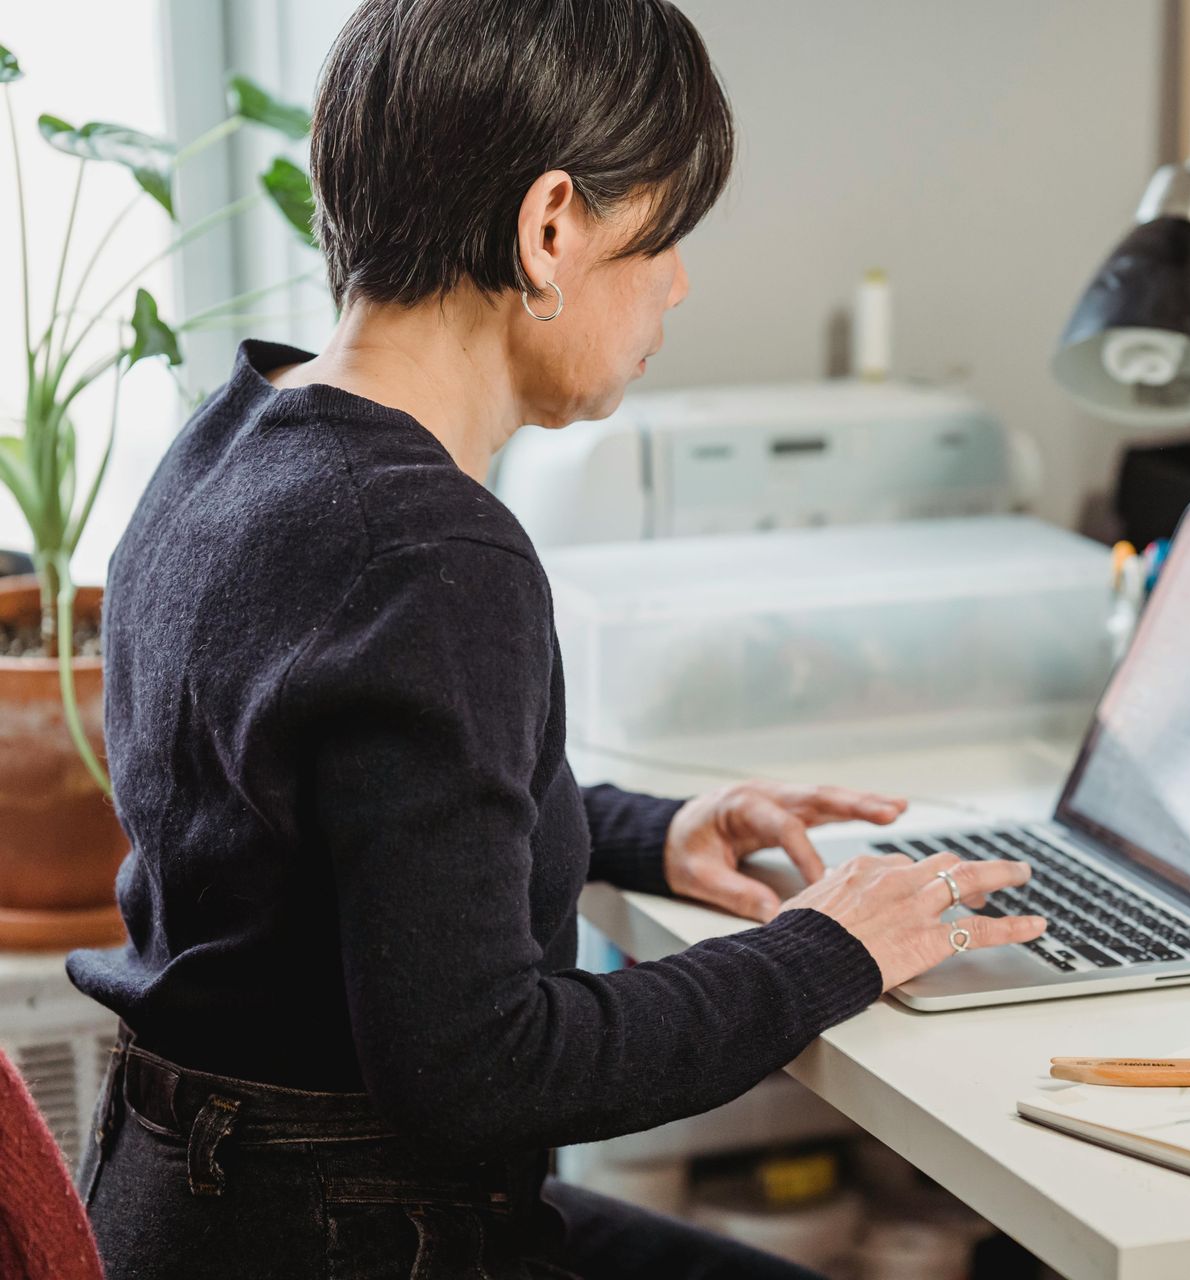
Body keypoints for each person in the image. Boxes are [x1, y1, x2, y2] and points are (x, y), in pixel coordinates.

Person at [64, 3, 1048, 1276]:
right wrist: (830, 947)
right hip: (358, 1229)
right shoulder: (435, 552)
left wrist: (652, 827)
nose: (681, 281)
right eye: (668, 234)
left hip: (183, 1199)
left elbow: (358, 816)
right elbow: (485, 1069)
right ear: (550, 229)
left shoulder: (235, 440)